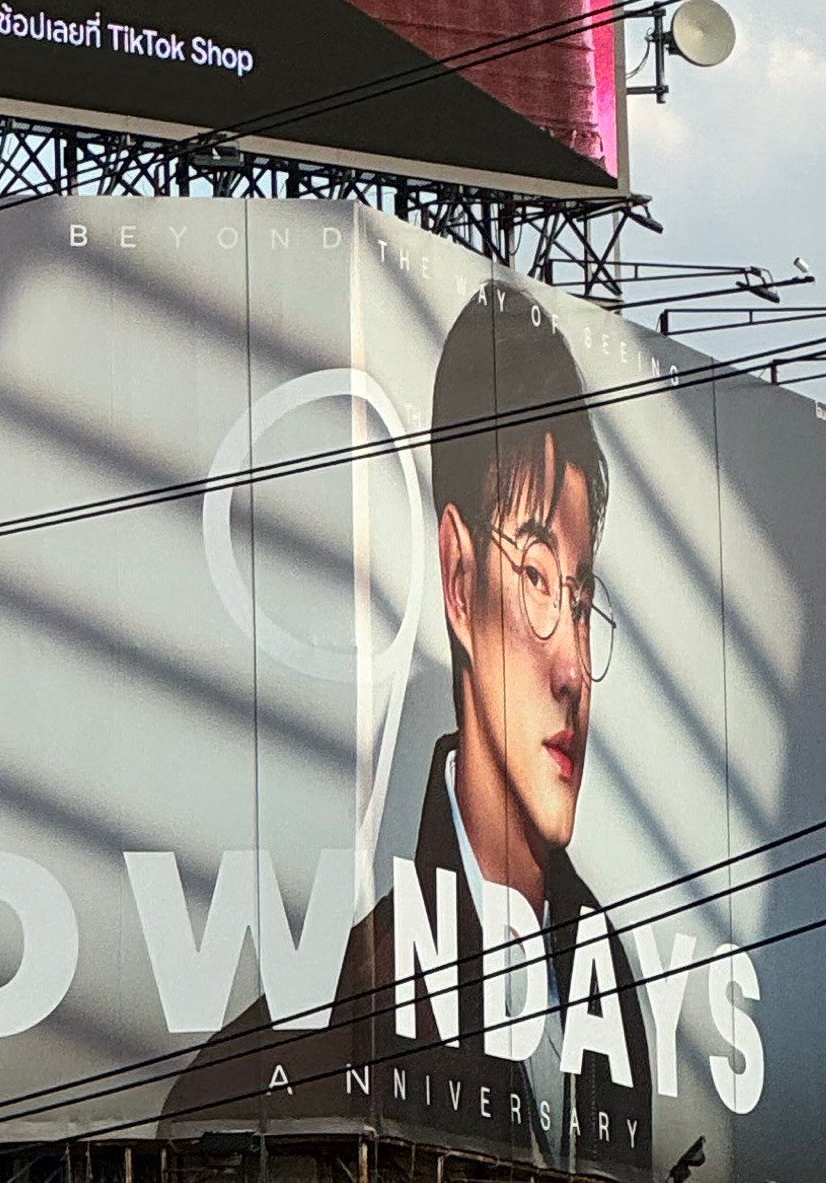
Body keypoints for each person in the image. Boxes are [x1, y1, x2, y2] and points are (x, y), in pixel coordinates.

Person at [168, 285, 655, 1176]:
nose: (574, 670)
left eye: (583, 604)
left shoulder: (613, 980)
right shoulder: (308, 1037)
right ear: (459, 577)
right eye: (540, 581)